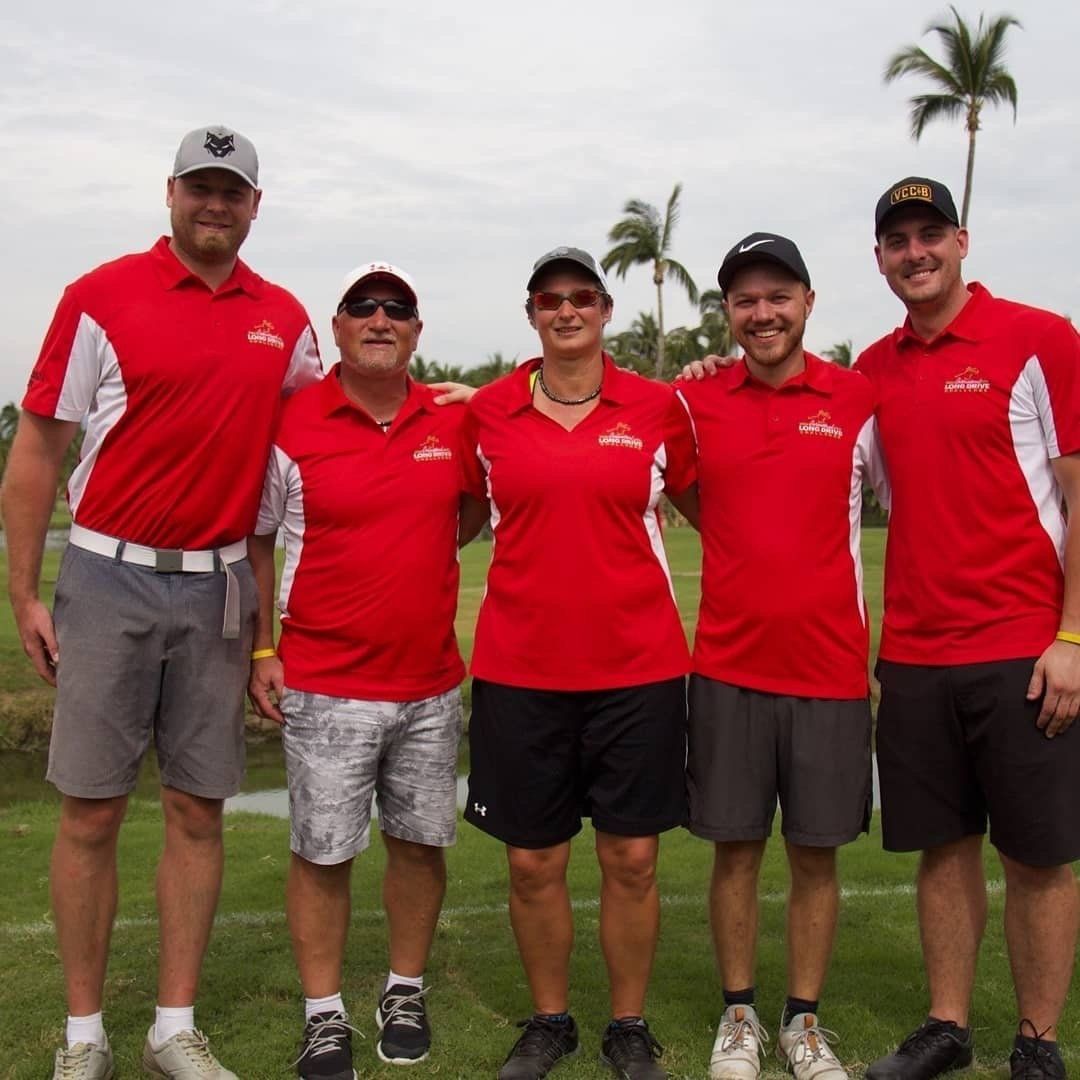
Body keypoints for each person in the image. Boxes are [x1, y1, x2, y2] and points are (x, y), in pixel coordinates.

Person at [1, 125, 322, 1080]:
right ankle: (84, 1035)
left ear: (255, 206)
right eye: (200, 189)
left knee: (197, 809)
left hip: (221, 585)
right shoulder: (100, 296)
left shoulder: (286, 317)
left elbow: (329, 425)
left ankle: (171, 1028)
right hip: (107, 577)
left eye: (234, 193)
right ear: (171, 193)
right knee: (90, 813)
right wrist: (22, 591)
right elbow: (36, 452)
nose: (215, 206)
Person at [857, 177, 1080, 1080]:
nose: (915, 253)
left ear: (962, 241)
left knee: (1036, 855)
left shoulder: (1040, 338)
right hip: (913, 656)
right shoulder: (871, 367)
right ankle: (947, 1026)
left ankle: (1037, 1039)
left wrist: (1074, 638)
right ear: (878, 259)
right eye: (896, 241)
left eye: (929, 235)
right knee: (943, 852)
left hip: (1025, 653)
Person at [460, 246, 698, 1080]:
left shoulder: (660, 407)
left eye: (583, 297)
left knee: (632, 859)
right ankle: (550, 1021)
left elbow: (706, 502)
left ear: (606, 310)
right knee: (533, 862)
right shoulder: (484, 413)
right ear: (531, 315)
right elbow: (453, 510)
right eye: (550, 299)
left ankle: (627, 1025)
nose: (567, 311)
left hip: (638, 669)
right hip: (520, 671)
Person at [248, 262, 485, 1078]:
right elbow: (259, 540)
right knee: (324, 853)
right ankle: (323, 1016)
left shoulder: (453, 421)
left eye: (398, 309)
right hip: (322, 678)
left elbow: (472, 512)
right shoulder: (293, 420)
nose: (380, 319)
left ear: (417, 331)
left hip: (428, 684)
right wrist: (262, 648)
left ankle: (404, 989)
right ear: (338, 326)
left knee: (419, 846)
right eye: (363, 307)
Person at [676, 235, 883, 1080]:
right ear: (728, 312)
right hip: (727, 666)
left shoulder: (859, 400)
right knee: (733, 850)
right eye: (744, 300)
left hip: (831, 670)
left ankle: (802, 1021)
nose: (761, 314)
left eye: (776, 296)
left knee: (814, 854)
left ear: (806, 301)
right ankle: (738, 1014)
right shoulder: (695, 403)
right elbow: (680, 490)